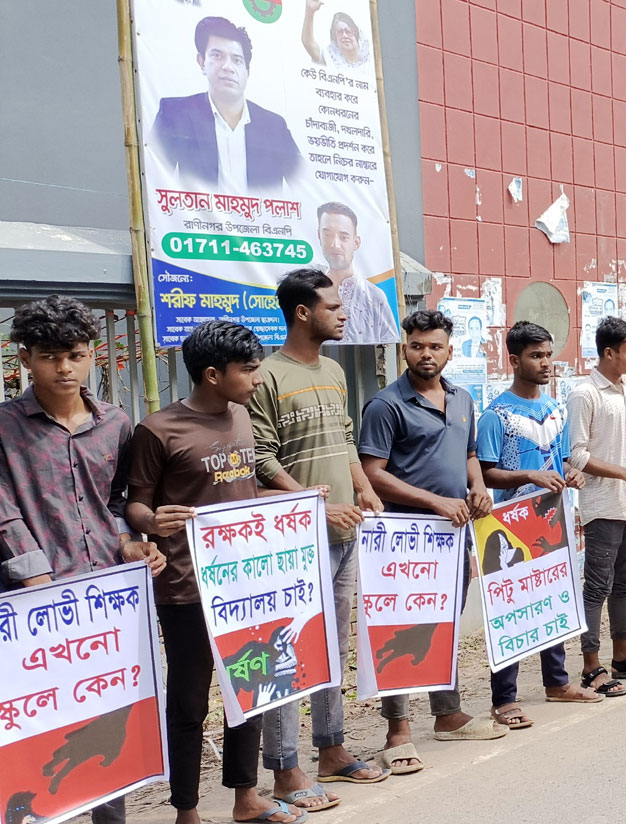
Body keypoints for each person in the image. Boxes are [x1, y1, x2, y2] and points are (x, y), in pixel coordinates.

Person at [0, 296, 165, 824]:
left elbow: (117, 502)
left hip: (107, 599)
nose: (64, 368)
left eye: (75, 354)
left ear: (93, 353)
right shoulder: (5, 427)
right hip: (36, 606)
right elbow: (3, 510)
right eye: (49, 356)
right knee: (42, 720)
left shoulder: (116, 423)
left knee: (107, 718)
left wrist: (129, 542)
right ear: (25, 358)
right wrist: (37, 576)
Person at [126, 321, 298, 824]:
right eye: (247, 369)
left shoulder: (243, 417)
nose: (258, 377)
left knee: (250, 689)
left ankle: (246, 799)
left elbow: (240, 493)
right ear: (211, 374)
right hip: (185, 588)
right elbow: (136, 504)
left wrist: (295, 501)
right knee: (189, 703)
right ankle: (188, 810)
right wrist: (151, 522)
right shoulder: (157, 430)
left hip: (247, 583)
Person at [248, 268, 389, 810]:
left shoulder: (333, 370)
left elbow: (346, 440)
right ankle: (285, 767)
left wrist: (363, 488)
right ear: (303, 313)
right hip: (293, 540)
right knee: (287, 649)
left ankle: (331, 748)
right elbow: (261, 460)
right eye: (333, 306)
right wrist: (315, 505)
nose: (344, 313)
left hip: (345, 531)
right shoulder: (266, 375)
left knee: (332, 644)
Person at [359, 310, 503, 772]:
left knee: (445, 623)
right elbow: (373, 475)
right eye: (418, 346)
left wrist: (477, 488)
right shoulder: (386, 405)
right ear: (405, 349)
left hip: (450, 537)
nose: (427, 354)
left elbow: (470, 454)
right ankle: (397, 730)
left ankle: (448, 713)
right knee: (400, 629)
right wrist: (435, 502)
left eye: (435, 346)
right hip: (402, 538)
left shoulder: (462, 399)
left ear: (449, 350)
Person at [477, 321, 608, 705]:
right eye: (536, 356)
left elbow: (565, 462)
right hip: (510, 528)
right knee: (512, 611)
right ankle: (504, 698)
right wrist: (528, 475)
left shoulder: (555, 409)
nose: (546, 363)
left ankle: (557, 682)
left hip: (553, 523)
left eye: (549, 354)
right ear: (514, 360)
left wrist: (573, 476)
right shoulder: (495, 415)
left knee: (553, 602)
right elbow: (486, 472)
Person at [567, 317, 626, 685]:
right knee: (597, 587)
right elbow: (577, 455)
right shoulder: (583, 394)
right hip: (601, 506)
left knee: (624, 584)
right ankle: (592, 665)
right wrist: (625, 475)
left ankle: (622, 655)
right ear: (609, 352)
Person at [151, 16, 301, 192]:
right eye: (217, 56)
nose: (227, 67)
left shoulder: (275, 127)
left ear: (247, 71)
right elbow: (153, 180)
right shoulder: (175, 114)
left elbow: (307, 187)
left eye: (237, 60)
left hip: (263, 218)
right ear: (202, 62)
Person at [313, 203, 400, 345]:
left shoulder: (375, 297)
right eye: (327, 235)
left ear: (356, 242)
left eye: (344, 237)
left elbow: (391, 346)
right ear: (319, 236)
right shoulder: (311, 294)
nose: (335, 244)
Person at [301, 0, 371, 68]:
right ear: (335, 39)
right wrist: (309, 12)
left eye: (348, 31)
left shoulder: (370, 61)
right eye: (339, 32)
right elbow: (309, 43)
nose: (344, 35)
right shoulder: (329, 58)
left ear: (356, 34)